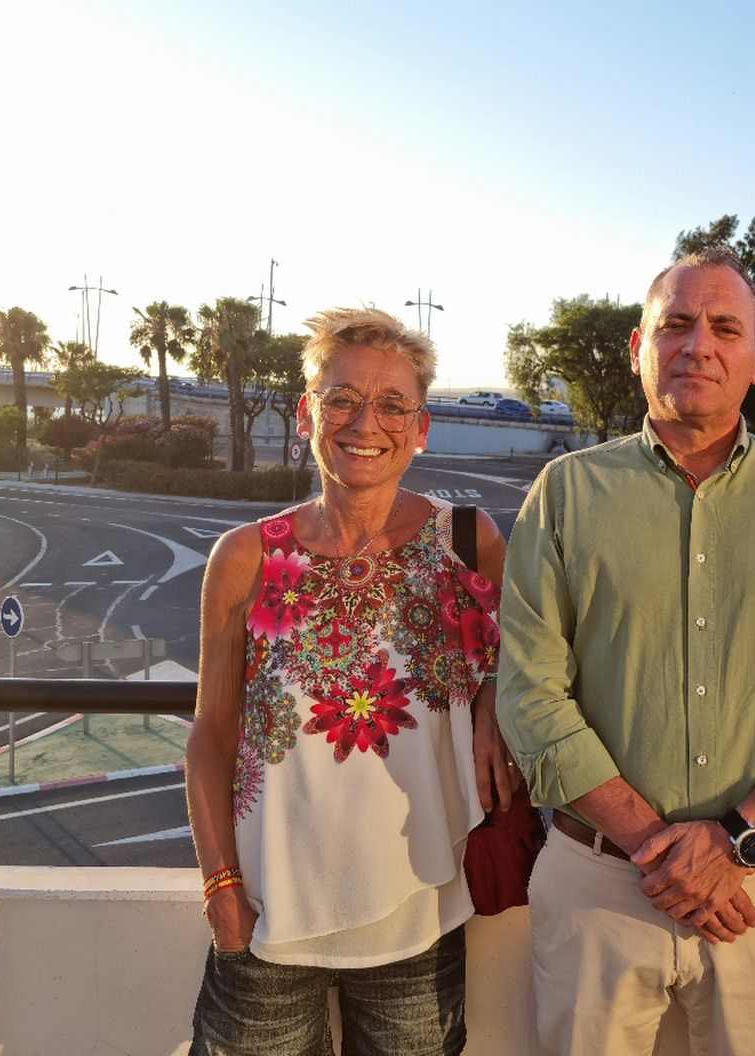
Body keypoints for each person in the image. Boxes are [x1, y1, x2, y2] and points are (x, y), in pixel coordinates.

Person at [496, 247, 755, 1056]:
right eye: (674, 324)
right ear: (639, 348)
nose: (697, 344)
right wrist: (655, 846)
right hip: (597, 881)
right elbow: (530, 692)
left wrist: (736, 837)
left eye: (723, 327)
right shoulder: (565, 494)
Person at [185, 306, 517, 1056]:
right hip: (268, 923)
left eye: (393, 404)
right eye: (341, 399)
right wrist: (220, 889)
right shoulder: (247, 558)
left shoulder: (468, 542)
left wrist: (495, 695)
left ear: (421, 426)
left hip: (419, 921)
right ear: (308, 413)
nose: (366, 422)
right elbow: (209, 736)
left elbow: (533, 654)